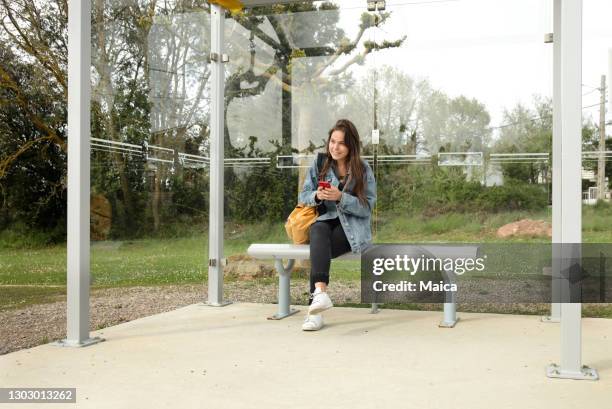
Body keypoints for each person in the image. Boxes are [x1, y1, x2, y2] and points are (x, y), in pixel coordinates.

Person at [297, 119, 377, 331]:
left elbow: (367, 207)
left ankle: (314, 314)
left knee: (318, 248)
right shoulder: (320, 163)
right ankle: (321, 295)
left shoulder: (362, 169)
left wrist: (341, 197)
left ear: (351, 146)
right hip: (324, 224)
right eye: (333, 141)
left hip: (351, 229)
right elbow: (303, 196)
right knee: (317, 229)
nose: (335, 147)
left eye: (341, 143)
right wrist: (317, 195)